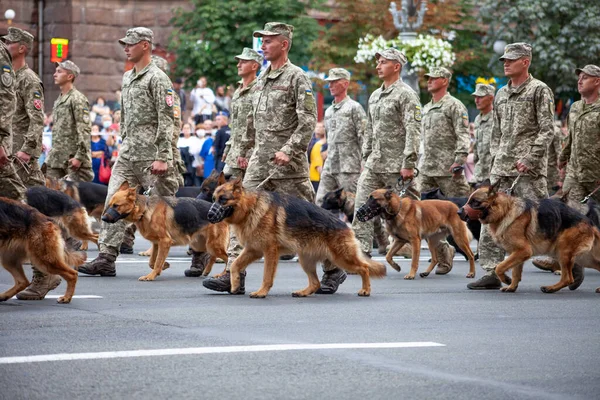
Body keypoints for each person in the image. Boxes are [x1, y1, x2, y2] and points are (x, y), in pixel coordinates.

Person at [203, 22, 317, 293]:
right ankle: (234, 274)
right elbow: (251, 123)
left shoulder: (297, 77)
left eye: (268, 41)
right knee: (237, 211)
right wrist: (242, 152)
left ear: (284, 44)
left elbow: (308, 120)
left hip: (289, 166)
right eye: (262, 41)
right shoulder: (262, 79)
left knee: (311, 219)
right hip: (258, 163)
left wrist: (288, 150)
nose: (262, 46)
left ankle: (333, 270)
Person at [79, 27, 178, 276]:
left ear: (145, 45)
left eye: (130, 44)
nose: (125, 47)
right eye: (124, 43)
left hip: (152, 155)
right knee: (113, 199)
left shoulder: (158, 78)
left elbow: (167, 119)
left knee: (170, 207)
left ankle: (200, 253)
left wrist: (163, 156)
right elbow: (125, 115)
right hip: (129, 152)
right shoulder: (128, 76)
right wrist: (121, 143)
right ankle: (106, 257)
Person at [468, 42, 555, 290]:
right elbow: (496, 132)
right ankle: (492, 271)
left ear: (525, 61)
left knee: (546, 217)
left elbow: (547, 130)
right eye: (504, 60)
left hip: (528, 169)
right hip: (501, 169)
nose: (505, 63)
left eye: (511, 59)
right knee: (488, 218)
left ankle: (569, 262)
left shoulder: (540, 90)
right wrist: (495, 160)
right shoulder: (502, 94)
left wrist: (530, 159)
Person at [351, 48, 421, 260]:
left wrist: (409, 162)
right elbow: (370, 129)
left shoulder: (407, 95)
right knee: (361, 206)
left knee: (411, 213)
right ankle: (360, 251)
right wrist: (366, 157)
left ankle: (442, 248)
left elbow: (414, 129)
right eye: (378, 62)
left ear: (396, 67)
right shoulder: (375, 95)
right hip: (375, 163)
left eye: (383, 62)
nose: (378, 66)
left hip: (398, 166)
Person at [533, 65, 600, 280]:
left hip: (597, 172)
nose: (580, 81)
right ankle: (566, 263)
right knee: (571, 217)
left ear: (597, 81)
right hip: (576, 173)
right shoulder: (576, 107)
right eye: (579, 78)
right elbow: (570, 137)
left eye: (585, 78)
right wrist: (563, 158)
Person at [418, 66, 471, 274]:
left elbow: (463, 134)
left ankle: (485, 250)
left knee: (465, 211)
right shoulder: (426, 107)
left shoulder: (454, 106)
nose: (429, 81)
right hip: (428, 169)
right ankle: (443, 256)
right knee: (426, 215)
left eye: (434, 78)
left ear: (445, 81)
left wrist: (459, 160)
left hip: (449, 169)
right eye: (428, 78)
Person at [3, 27, 45, 189]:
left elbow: (37, 118)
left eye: (9, 42)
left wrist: (27, 150)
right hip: (7, 150)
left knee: (31, 199)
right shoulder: (8, 77)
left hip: (20, 154)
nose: (5, 45)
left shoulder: (29, 80)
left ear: (22, 48)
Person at [45, 60, 94, 182]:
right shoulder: (60, 99)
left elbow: (84, 130)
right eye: (55, 71)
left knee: (75, 198)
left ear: (70, 76)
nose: (54, 74)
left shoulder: (77, 98)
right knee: (52, 196)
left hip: (73, 160)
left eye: (59, 71)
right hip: (57, 160)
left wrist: (79, 157)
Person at [222, 47, 262, 179]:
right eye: (239, 61)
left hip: (250, 156)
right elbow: (234, 124)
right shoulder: (238, 90)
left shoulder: (259, 89)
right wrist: (228, 148)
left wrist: (245, 152)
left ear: (254, 65)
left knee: (246, 195)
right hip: (234, 155)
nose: (238, 65)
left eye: (243, 62)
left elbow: (257, 124)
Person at [471, 83, 496, 185]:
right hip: (479, 174)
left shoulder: (497, 118)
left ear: (491, 98)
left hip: (493, 174)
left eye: (480, 97)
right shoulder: (478, 119)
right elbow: (477, 147)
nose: (476, 100)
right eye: (475, 97)